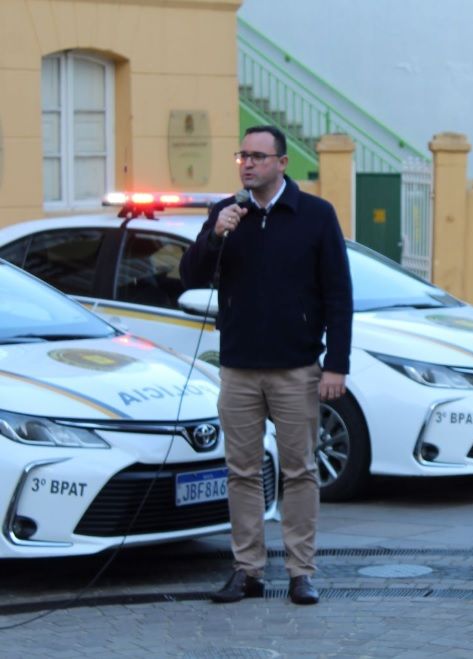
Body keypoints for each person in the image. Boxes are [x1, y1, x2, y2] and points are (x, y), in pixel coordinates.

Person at [180, 125, 353, 606]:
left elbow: (339, 295)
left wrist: (336, 364)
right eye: (243, 156)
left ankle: (301, 571)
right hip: (238, 365)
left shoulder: (315, 215)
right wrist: (216, 236)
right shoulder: (225, 213)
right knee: (242, 471)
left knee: (299, 470)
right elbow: (190, 276)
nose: (248, 164)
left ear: (282, 163)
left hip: (295, 366)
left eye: (258, 156)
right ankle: (247, 569)